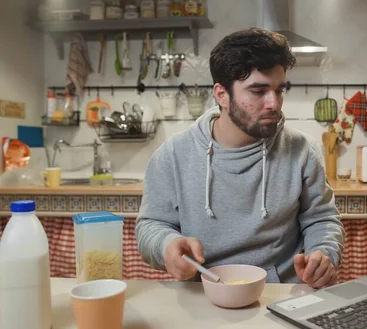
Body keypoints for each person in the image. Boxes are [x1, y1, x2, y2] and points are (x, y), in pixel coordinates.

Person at [136, 27, 345, 289]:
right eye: (258, 91)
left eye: (279, 90)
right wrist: (165, 244)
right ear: (222, 94)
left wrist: (324, 254)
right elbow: (151, 225)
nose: (274, 104)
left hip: (281, 294)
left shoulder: (302, 150)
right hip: (204, 293)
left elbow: (322, 220)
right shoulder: (172, 156)